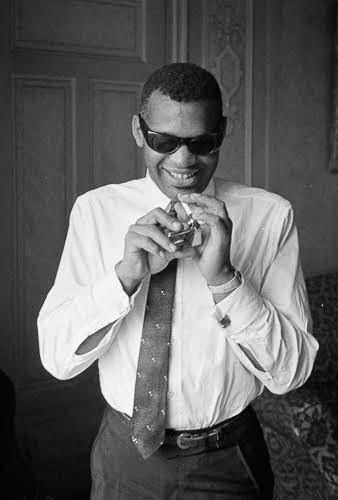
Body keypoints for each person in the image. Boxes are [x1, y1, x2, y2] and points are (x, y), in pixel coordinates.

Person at [38, 62, 319, 499]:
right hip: (124, 457)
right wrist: (125, 276)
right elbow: (57, 357)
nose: (183, 160)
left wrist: (226, 280)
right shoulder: (94, 212)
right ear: (138, 132)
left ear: (221, 132)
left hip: (227, 461)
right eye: (164, 142)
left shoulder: (270, 216)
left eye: (201, 143)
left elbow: (292, 373)